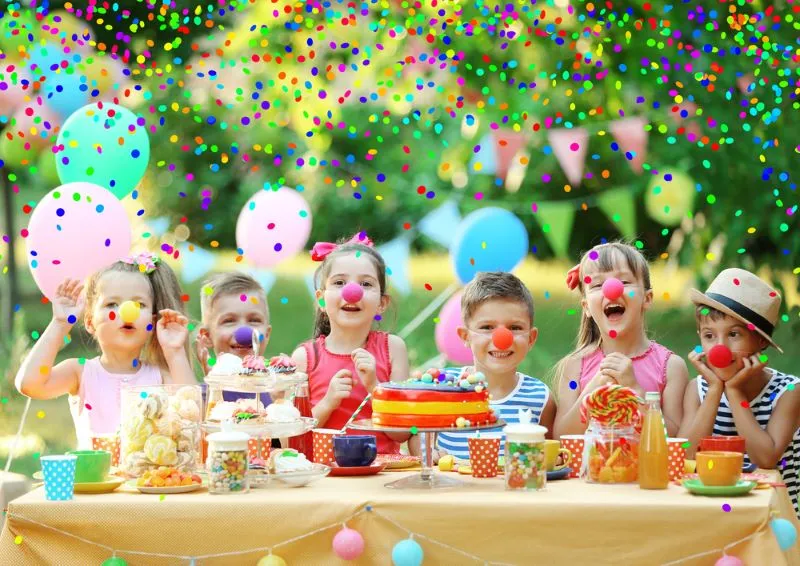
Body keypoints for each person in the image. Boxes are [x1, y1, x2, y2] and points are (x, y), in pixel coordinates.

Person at [15, 252, 195, 450]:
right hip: (94, 480)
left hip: (146, 480)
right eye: (112, 304)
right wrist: (60, 324)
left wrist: (175, 351)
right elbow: (29, 384)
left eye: (139, 304)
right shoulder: (80, 372)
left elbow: (192, 414)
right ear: (90, 322)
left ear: (152, 323)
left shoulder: (160, 376)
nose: (128, 312)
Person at [679, 268, 799, 517]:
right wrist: (714, 391)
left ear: (761, 341)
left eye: (734, 335)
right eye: (709, 336)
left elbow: (766, 459)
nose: (720, 348)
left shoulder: (790, 391)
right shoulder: (697, 390)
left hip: (773, 518)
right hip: (711, 512)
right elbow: (684, 455)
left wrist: (733, 391)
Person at [553, 242, 688, 438]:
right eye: (598, 285)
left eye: (624, 282)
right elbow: (561, 437)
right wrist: (594, 389)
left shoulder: (670, 368)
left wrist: (634, 390)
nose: (611, 290)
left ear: (647, 298)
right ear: (586, 307)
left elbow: (674, 438)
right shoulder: (575, 366)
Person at [291, 233, 410, 454]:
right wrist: (328, 402)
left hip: (381, 478)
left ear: (382, 303)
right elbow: (292, 436)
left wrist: (374, 387)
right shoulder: (304, 358)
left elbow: (402, 433)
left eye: (365, 284)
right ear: (321, 299)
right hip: (325, 479)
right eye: (339, 282)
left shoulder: (393, 348)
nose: (352, 292)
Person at [432, 272, 555, 462]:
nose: (501, 339)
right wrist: (427, 454)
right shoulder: (443, 388)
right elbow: (416, 434)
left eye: (514, 327)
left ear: (531, 338)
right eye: (487, 327)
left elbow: (549, 460)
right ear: (465, 336)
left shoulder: (541, 398)